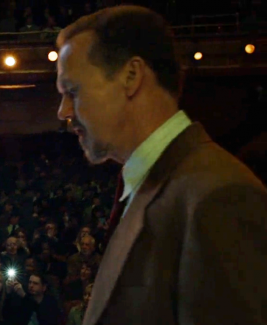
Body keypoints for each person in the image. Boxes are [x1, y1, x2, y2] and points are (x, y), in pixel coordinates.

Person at [55, 5, 267, 325]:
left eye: (73, 91)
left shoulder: (219, 195)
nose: (63, 111)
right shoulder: (165, 184)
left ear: (131, 76)